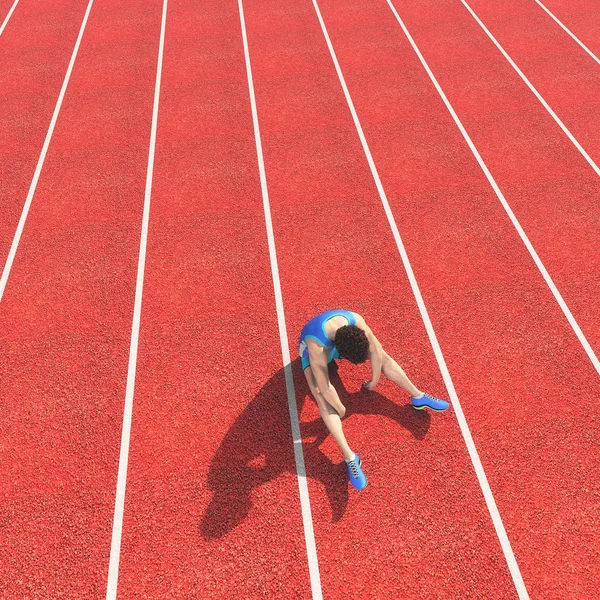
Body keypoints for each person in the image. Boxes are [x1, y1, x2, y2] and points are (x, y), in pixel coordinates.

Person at [299, 309, 449, 490]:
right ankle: (350, 457)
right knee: (319, 395)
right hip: (310, 350)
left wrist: (373, 381)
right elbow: (325, 387)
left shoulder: (356, 321)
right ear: (341, 353)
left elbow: (376, 351)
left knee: (384, 355)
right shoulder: (317, 349)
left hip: (338, 341)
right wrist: (341, 408)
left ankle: (418, 396)